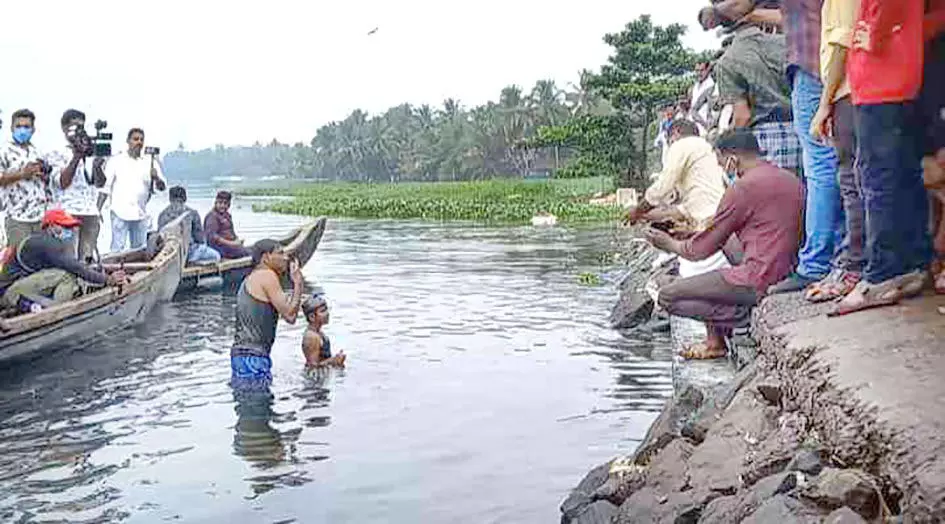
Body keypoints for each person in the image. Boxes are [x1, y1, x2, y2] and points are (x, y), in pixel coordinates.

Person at [644, 129, 804, 359]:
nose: (722, 169)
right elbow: (733, 232)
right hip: (786, 271)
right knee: (711, 269)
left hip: (758, 277)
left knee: (668, 294)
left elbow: (699, 251)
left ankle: (744, 317)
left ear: (731, 159)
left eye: (721, 163)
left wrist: (668, 244)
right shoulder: (789, 178)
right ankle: (716, 339)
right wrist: (692, 233)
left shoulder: (742, 187)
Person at [832, 0, 931, 315]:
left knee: (878, 180)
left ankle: (882, 274)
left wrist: (876, 33)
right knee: (902, 175)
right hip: (899, 75)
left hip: (880, 79)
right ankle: (911, 264)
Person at [701, 1, 804, 177]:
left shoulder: (728, 62)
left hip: (765, 138)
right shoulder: (784, 43)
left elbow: (743, 116)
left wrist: (727, 138)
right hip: (801, 128)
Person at [804, 0, 864, 302]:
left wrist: (824, 103)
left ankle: (855, 266)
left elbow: (842, 43)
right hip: (851, 90)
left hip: (849, 91)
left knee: (853, 183)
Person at [0, 209, 128, 313]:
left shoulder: (42, 241)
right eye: (65, 226)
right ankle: (56, 311)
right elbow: (75, 268)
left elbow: (72, 264)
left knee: (69, 272)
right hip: (11, 294)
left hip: (15, 290)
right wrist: (107, 279)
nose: (70, 230)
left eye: (71, 227)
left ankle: (46, 305)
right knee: (67, 275)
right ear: (50, 226)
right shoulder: (46, 244)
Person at [230, 239, 304, 388]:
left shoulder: (250, 278)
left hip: (243, 354)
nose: (285, 257)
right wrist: (298, 284)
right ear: (266, 257)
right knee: (258, 406)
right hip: (253, 357)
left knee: (249, 403)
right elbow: (290, 315)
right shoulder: (267, 276)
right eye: (280, 253)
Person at [47, 109, 107, 262]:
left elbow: (99, 183)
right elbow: (62, 183)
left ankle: (87, 285)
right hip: (67, 213)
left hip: (90, 212)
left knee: (86, 260)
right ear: (64, 127)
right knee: (68, 260)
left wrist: (98, 166)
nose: (79, 131)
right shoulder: (55, 151)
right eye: (75, 127)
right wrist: (76, 157)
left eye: (82, 126)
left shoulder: (89, 149)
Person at [100, 128, 167, 252]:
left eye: (141, 139)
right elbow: (105, 187)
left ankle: (137, 271)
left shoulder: (150, 161)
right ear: (128, 141)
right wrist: (98, 209)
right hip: (119, 211)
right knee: (117, 249)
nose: (139, 142)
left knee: (139, 249)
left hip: (140, 212)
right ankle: (113, 271)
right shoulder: (116, 160)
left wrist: (156, 177)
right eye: (135, 139)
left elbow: (162, 188)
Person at [0, 109, 49, 248]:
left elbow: (46, 183)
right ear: (11, 128)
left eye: (26, 127)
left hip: (39, 217)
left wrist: (44, 176)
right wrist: (22, 174)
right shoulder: (4, 150)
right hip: (17, 218)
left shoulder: (37, 152)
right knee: (19, 261)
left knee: (38, 263)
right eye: (18, 126)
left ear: (33, 129)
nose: (22, 130)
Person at [157, 186, 222, 265]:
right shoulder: (192, 213)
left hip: (168, 253)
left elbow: (160, 236)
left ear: (170, 198)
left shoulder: (162, 215)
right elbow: (199, 238)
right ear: (185, 198)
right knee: (216, 256)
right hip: (189, 252)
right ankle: (194, 262)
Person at [301, 294, 346, 368]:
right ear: (312, 317)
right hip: (316, 379)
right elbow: (312, 367)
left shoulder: (318, 333)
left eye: (326, 309)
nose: (327, 313)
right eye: (322, 311)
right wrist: (333, 361)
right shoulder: (312, 337)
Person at [204, 191, 251, 259]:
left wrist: (237, 240)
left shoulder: (227, 215)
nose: (222, 205)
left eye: (225, 203)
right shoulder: (212, 216)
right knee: (246, 252)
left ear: (229, 205)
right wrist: (232, 243)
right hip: (219, 248)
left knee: (250, 250)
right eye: (220, 203)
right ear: (216, 203)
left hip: (229, 245)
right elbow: (213, 237)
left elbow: (231, 231)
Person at [690, 61, 717, 135]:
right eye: (697, 71)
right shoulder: (695, 86)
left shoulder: (711, 85)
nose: (699, 73)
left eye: (702, 70)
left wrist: (706, 125)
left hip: (705, 127)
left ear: (707, 70)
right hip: (693, 126)